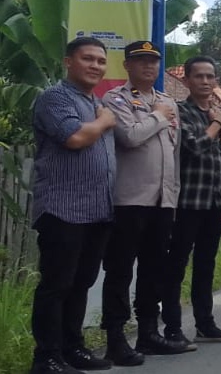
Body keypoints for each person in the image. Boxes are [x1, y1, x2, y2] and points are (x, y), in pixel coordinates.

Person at [29, 37, 118, 374]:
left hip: (97, 210)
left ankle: (72, 348)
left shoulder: (94, 102)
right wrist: (105, 122)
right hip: (62, 209)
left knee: (81, 283)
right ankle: (47, 357)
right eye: (87, 59)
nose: (95, 65)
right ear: (68, 62)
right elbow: (75, 138)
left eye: (100, 60)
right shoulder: (54, 98)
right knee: (57, 284)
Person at [101, 40, 186, 364]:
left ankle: (149, 332)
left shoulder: (167, 101)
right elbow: (131, 137)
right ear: (127, 66)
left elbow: (174, 154)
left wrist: (173, 195)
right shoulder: (116, 98)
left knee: (153, 269)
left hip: (163, 200)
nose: (149, 67)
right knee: (121, 270)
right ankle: (115, 337)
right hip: (130, 199)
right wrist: (158, 118)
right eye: (141, 61)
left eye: (153, 61)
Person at [161, 56, 221, 346]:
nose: (205, 82)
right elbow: (192, 147)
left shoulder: (217, 113)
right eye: (199, 76)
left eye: (210, 76)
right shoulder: (180, 112)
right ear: (186, 80)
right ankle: (172, 328)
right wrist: (216, 124)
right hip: (187, 201)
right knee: (176, 265)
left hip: (215, 202)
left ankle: (205, 323)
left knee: (206, 264)